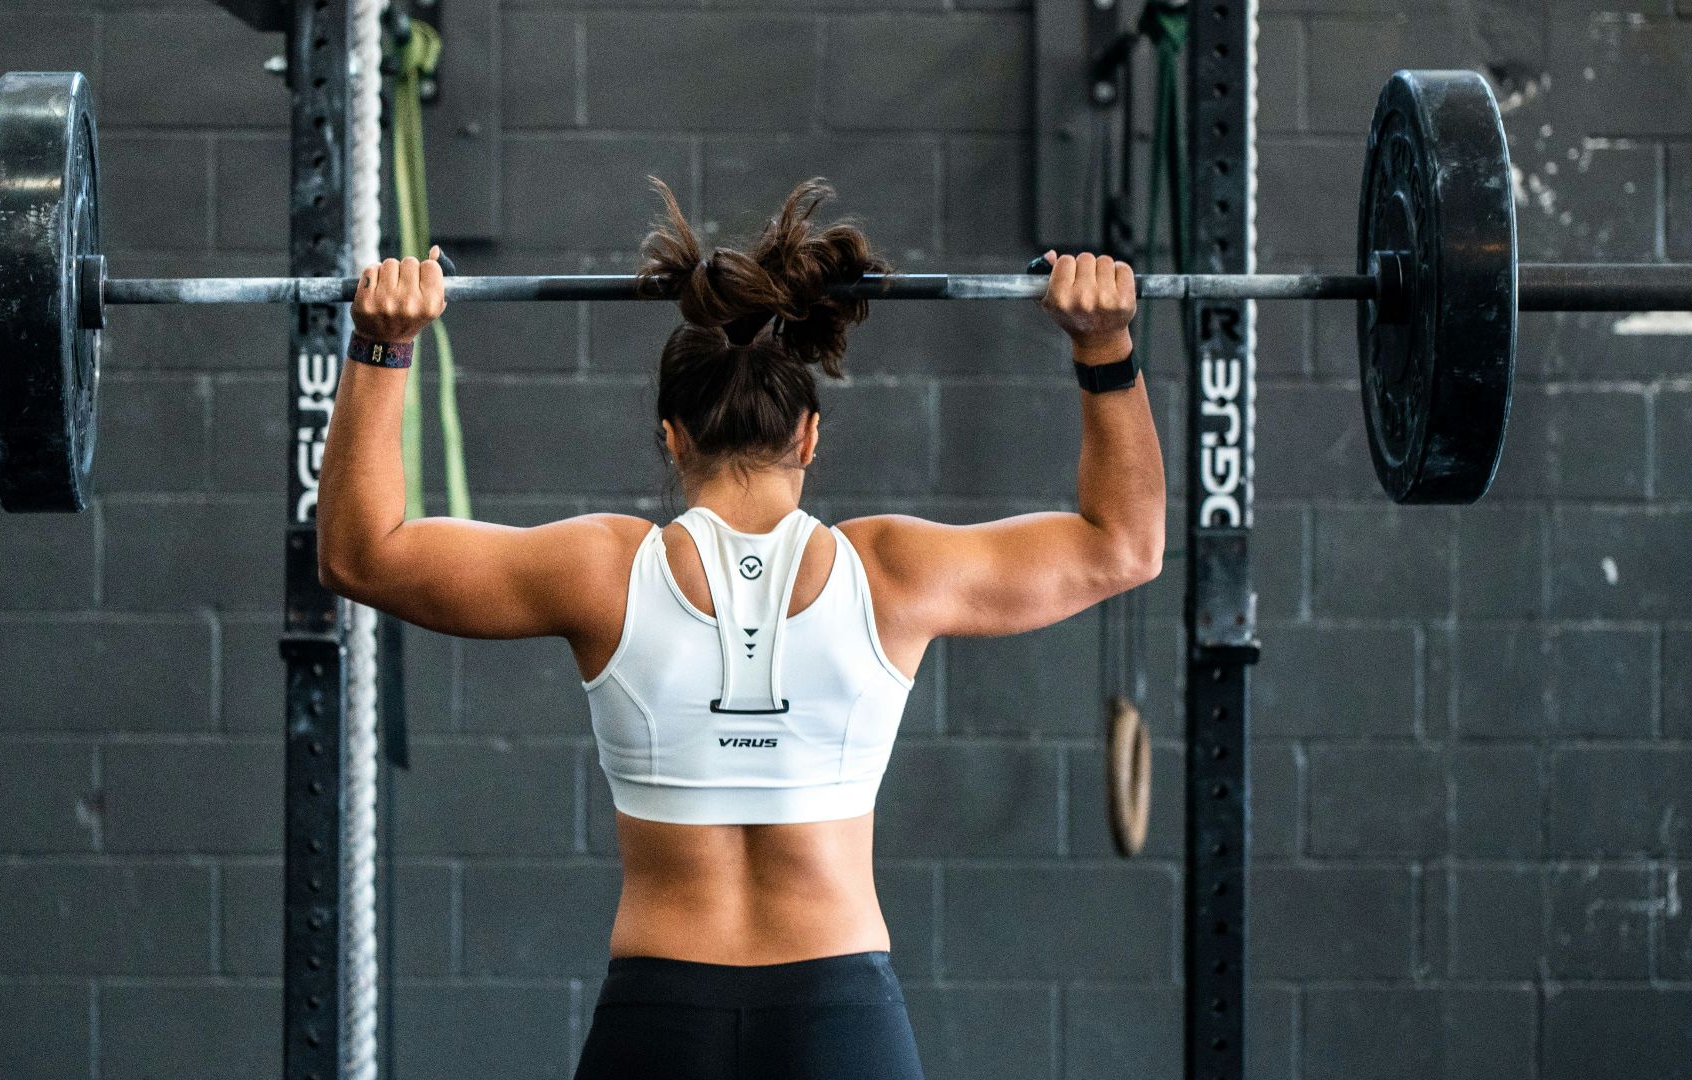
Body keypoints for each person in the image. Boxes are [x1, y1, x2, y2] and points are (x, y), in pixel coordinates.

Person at [317, 178, 1164, 1080]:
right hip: (841, 1018)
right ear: (808, 438)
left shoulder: (602, 572)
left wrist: (382, 345)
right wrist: (1103, 347)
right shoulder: (892, 575)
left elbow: (361, 555)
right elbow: (1125, 545)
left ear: (672, 437)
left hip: (659, 1015)